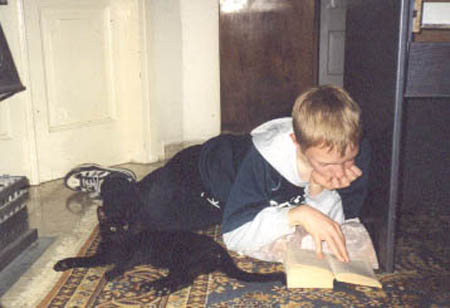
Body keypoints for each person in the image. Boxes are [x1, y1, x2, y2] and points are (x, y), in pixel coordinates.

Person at [64, 85, 370, 263]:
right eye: (328, 165)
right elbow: (235, 236)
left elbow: (336, 223)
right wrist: (298, 213)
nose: (342, 171)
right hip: (195, 177)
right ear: (296, 142)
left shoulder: (342, 152)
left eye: (348, 160)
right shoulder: (263, 162)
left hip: (229, 195)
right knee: (138, 219)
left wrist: (318, 190)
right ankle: (116, 182)